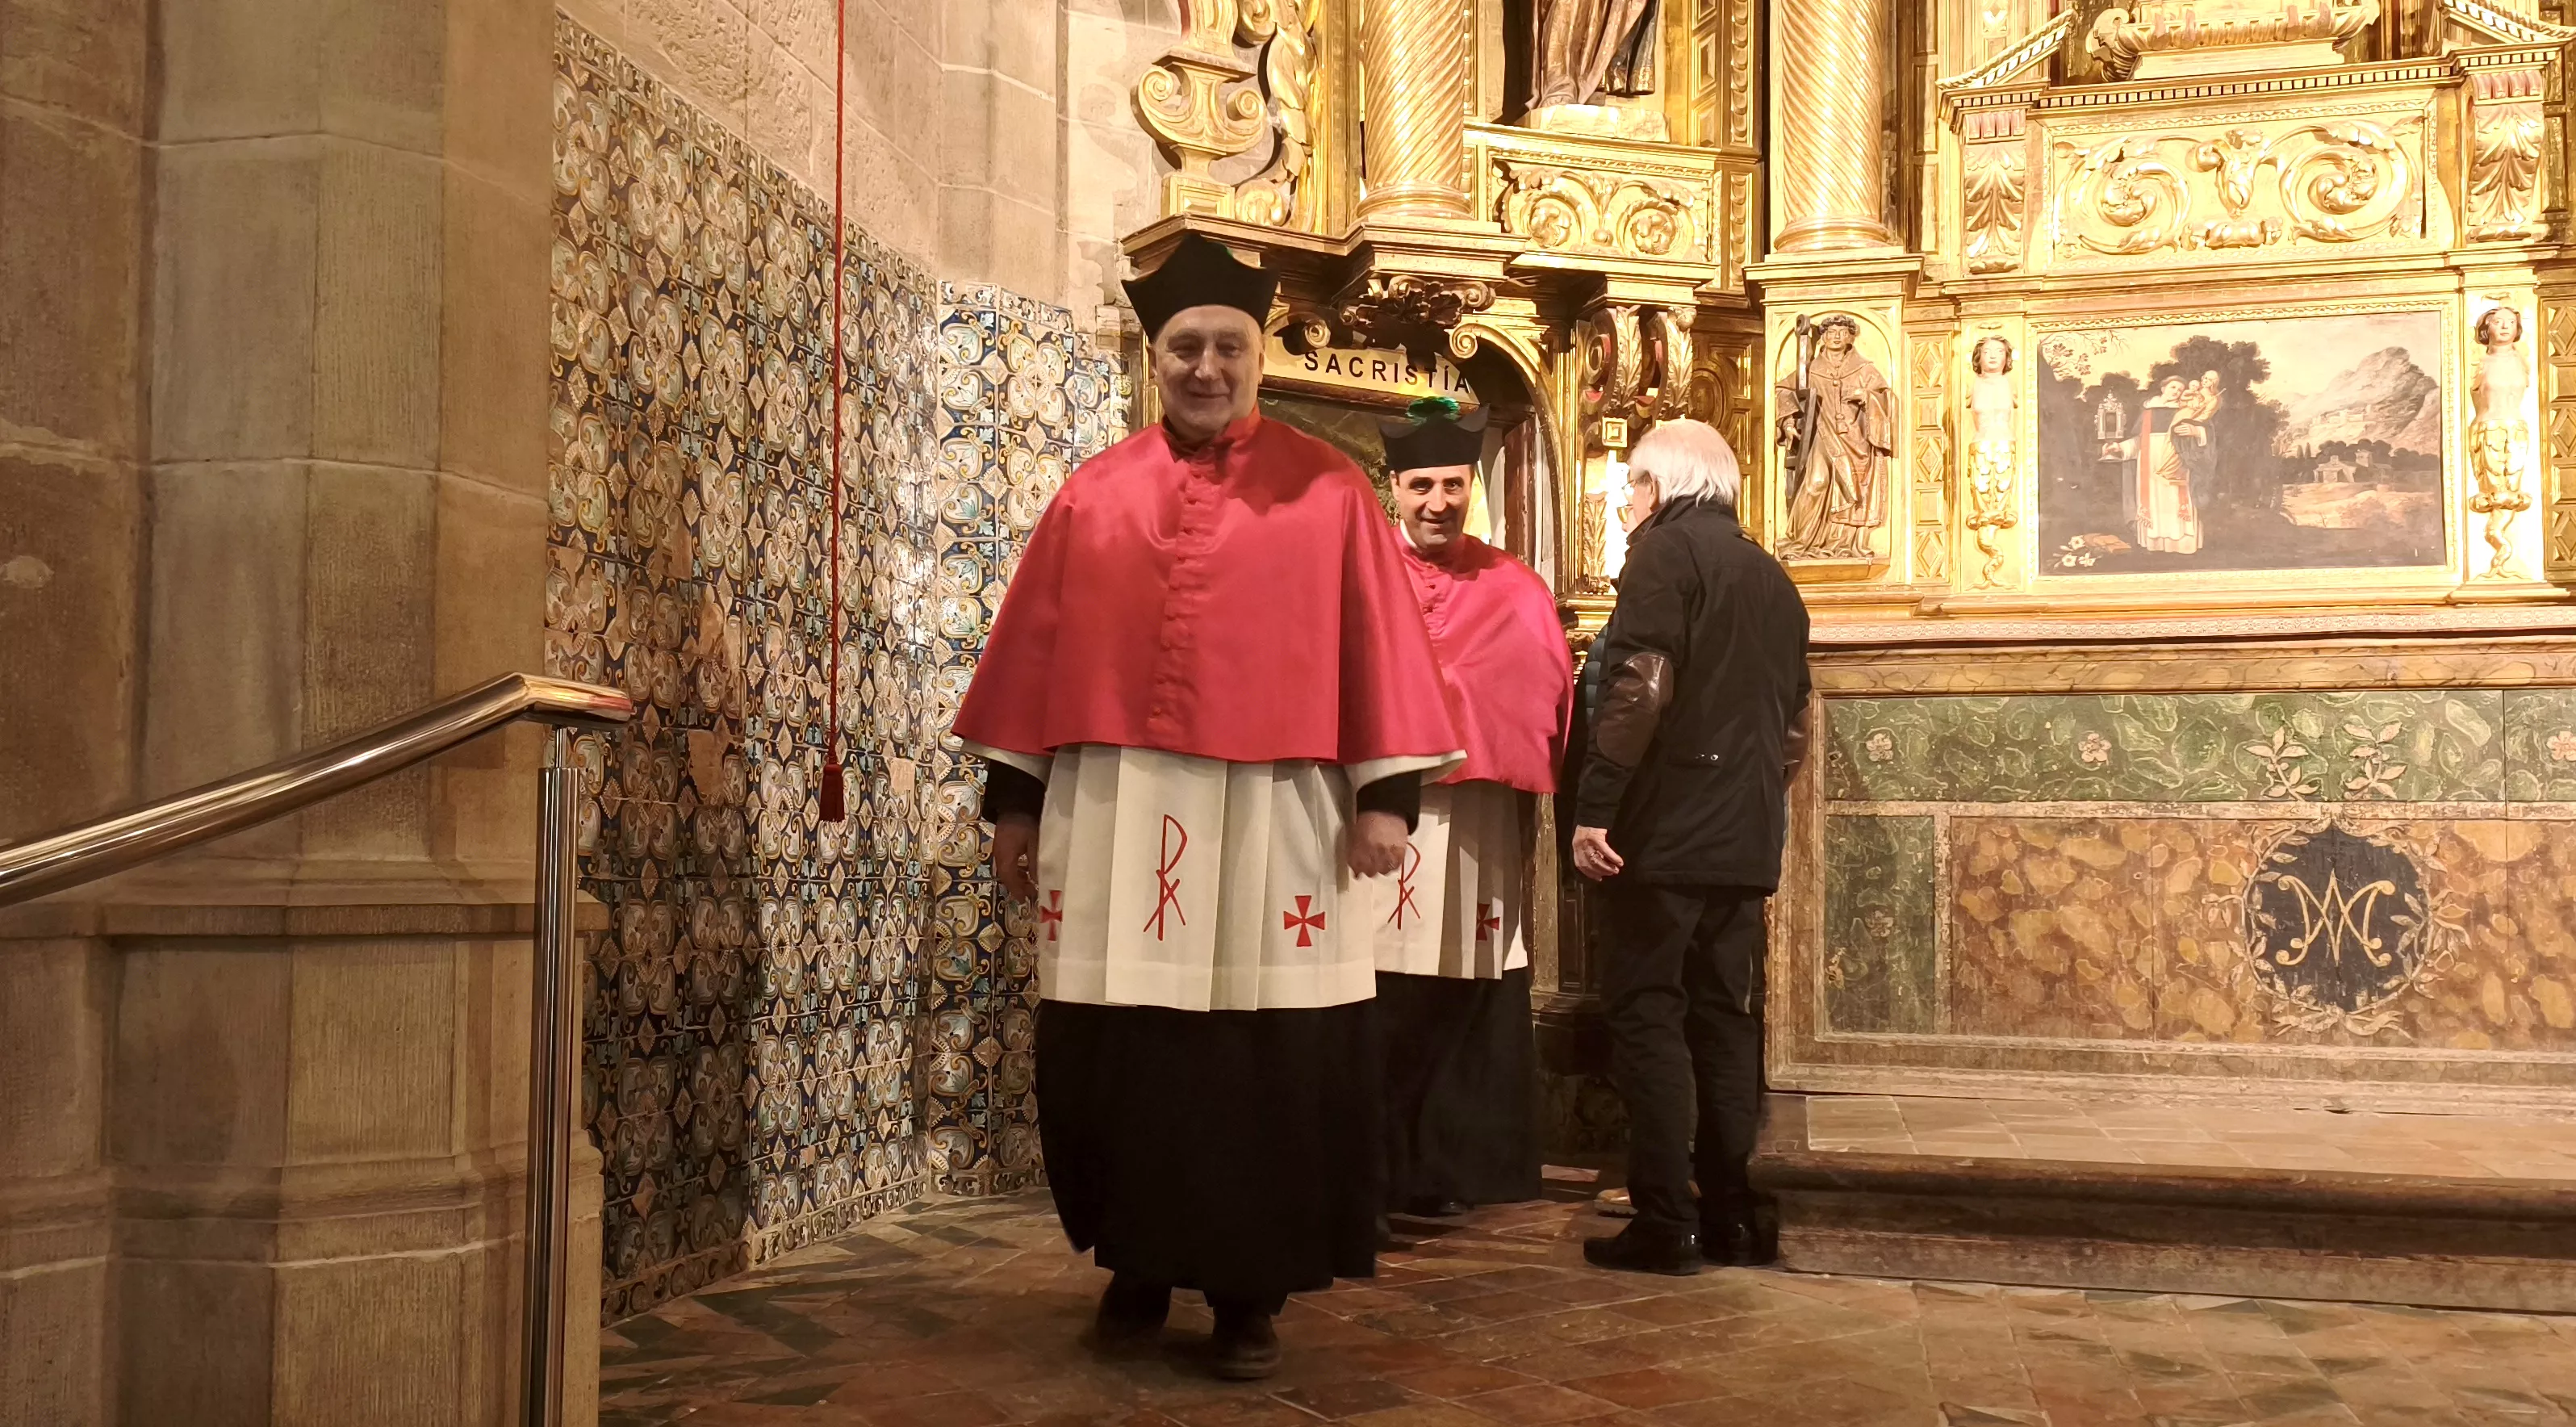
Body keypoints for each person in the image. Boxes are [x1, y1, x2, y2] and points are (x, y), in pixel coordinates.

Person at [953, 233, 1464, 1378]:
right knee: (1125, 1046)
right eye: (1185, 347)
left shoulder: (1328, 490)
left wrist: (1385, 796)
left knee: (1265, 1057)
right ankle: (1136, 1260)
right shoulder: (1094, 495)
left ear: (1258, 352)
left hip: (1281, 821)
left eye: (1228, 347)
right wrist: (1016, 808)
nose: (1206, 367)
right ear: (1157, 356)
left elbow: (1378, 646)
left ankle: (1248, 1295)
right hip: (1119, 812)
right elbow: (1033, 660)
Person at [1566, 418, 1812, 1276]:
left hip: (1663, 836)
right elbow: (1793, 730)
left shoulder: (1665, 555)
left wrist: (1597, 805)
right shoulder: (1775, 577)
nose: (1626, 502)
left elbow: (1640, 683)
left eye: (1631, 485)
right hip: (1742, 837)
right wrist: (1746, 810)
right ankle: (1734, 1214)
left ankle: (1667, 1220)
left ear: (1661, 487)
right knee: (1723, 1017)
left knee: (1648, 1015)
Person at [1356, 397, 1573, 1222]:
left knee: (1458, 994)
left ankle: (1437, 1165)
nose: (1438, 501)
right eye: (1421, 485)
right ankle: (1368, 1174)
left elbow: (1542, 692)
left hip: (1475, 822)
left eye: (1453, 483)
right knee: (1375, 996)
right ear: (1395, 487)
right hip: (1375, 817)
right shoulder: (1361, 570)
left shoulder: (1512, 584)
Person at [1775, 314, 1893, 560]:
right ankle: (1802, 540)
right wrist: (1787, 421)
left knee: (1851, 492)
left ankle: (1840, 543)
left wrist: (1865, 396)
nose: (1836, 336)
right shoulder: (1811, 369)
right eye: (1830, 332)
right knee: (1816, 482)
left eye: (1842, 332)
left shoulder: (1865, 369)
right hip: (1824, 432)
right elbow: (1784, 390)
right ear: (1823, 338)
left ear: (1851, 336)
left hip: (1856, 438)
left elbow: (1885, 400)